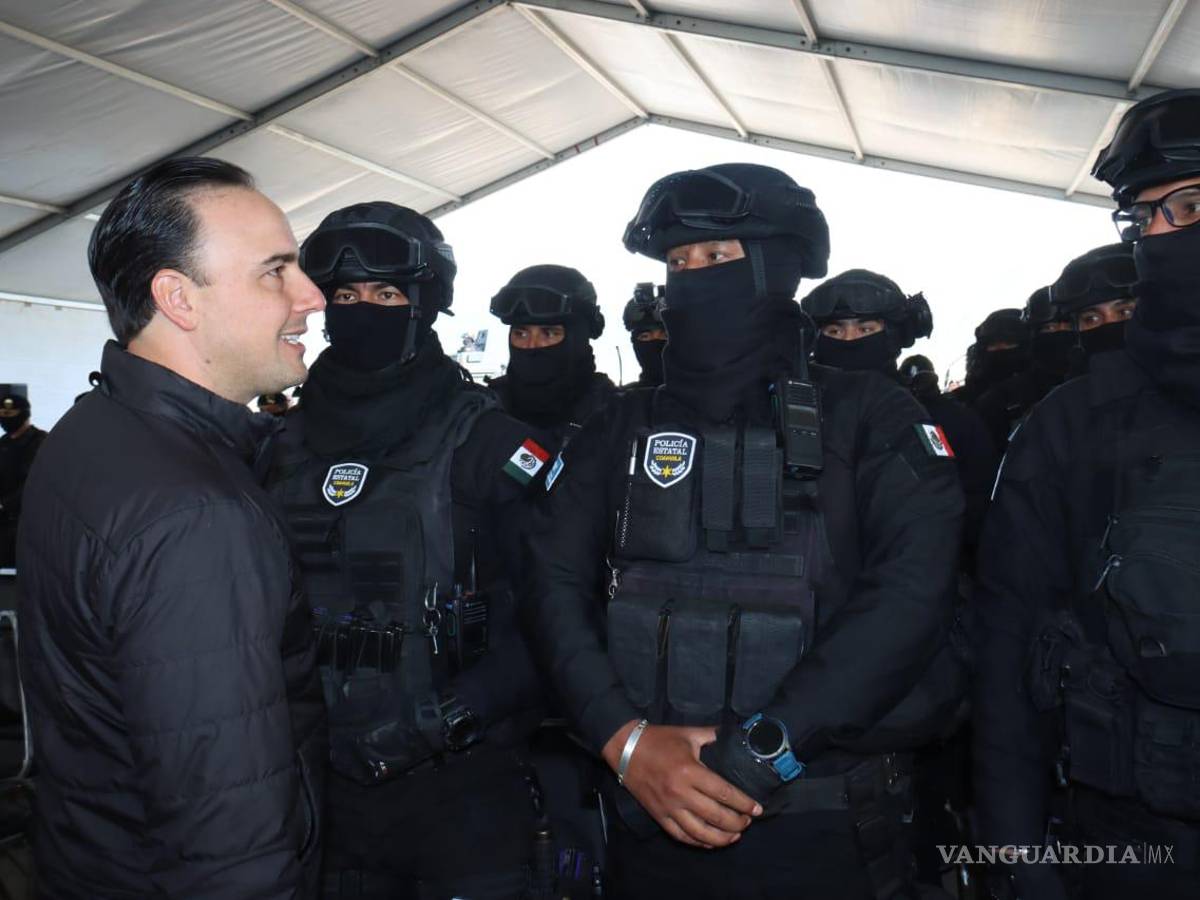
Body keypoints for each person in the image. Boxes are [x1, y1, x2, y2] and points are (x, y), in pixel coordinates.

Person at [523, 163, 964, 899]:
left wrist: (766, 749)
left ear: (777, 265)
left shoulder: (873, 416)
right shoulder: (620, 424)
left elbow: (911, 597)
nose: (693, 277)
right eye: (677, 262)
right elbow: (552, 583)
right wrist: (625, 742)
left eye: (717, 257)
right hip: (645, 815)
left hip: (824, 822)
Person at [16, 157, 328, 898]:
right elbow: (230, 837)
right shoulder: (196, 512)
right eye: (275, 272)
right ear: (178, 299)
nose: (311, 296)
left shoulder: (89, 432)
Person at [267, 201, 554, 899]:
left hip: (461, 782)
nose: (364, 308)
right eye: (346, 295)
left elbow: (559, 613)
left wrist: (453, 715)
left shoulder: (492, 445)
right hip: (317, 786)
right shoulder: (277, 448)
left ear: (424, 305)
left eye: (387, 293)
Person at [974, 88, 1200, 899]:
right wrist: (1015, 860)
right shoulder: (1071, 426)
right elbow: (1010, 651)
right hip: (1134, 845)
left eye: (1192, 204)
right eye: (1145, 220)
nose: (1166, 235)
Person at [803, 270, 997, 558]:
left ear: (893, 337)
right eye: (834, 331)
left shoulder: (940, 420)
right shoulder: (795, 411)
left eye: (865, 329)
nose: (848, 340)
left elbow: (969, 514)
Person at [487, 264, 616, 450]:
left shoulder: (614, 416)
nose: (532, 346)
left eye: (548, 334)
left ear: (578, 337)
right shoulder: (483, 412)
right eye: (521, 334)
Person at [0, 394, 45, 569]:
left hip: (25, 521)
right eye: (2, 413)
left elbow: (34, 483)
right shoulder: (4, 442)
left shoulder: (40, 441)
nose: (5, 418)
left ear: (24, 414)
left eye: (10, 414)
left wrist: (4, 505)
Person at [951, 309, 1029, 408]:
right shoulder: (971, 391)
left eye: (1008, 343)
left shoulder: (1037, 388)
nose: (1000, 349)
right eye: (992, 344)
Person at [622, 282, 667, 387]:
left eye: (665, 336)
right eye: (645, 336)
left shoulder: (703, 393)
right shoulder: (623, 399)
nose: (656, 343)